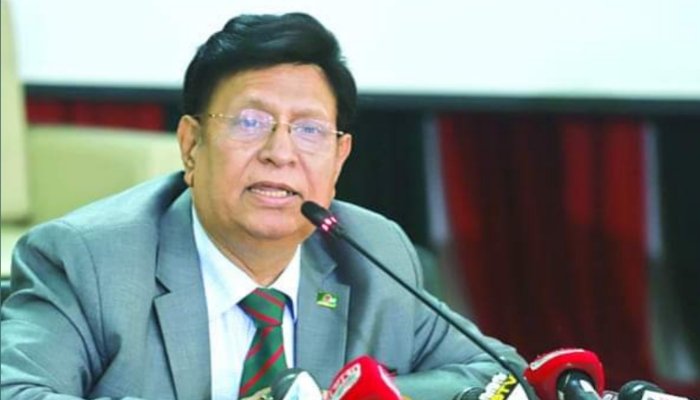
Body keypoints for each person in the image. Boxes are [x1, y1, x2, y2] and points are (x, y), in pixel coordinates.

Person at [1, 12, 526, 400]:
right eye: (250, 122)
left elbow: (503, 376)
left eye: (309, 130)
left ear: (339, 158)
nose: (280, 152)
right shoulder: (90, 261)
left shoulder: (373, 252)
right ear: (191, 145)